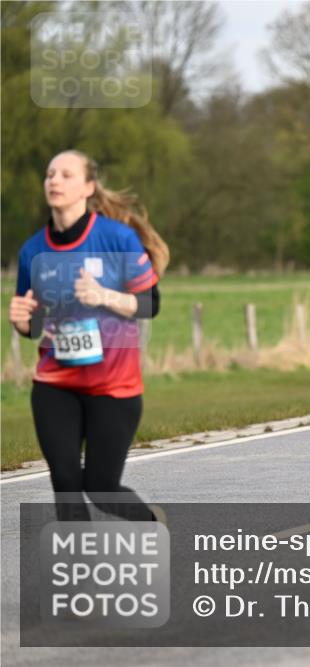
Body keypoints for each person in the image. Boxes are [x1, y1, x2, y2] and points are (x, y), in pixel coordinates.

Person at [8, 150, 168, 522]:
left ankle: (149, 523)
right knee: (65, 482)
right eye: (50, 174)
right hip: (55, 384)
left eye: (66, 174)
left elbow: (151, 302)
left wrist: (105, 296)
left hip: (114, 387)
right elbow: (33, 327)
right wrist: (20, 322)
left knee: (101, 488)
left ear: (88, 187)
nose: (54, 181)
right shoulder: (33, 250)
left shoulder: (117, 239)